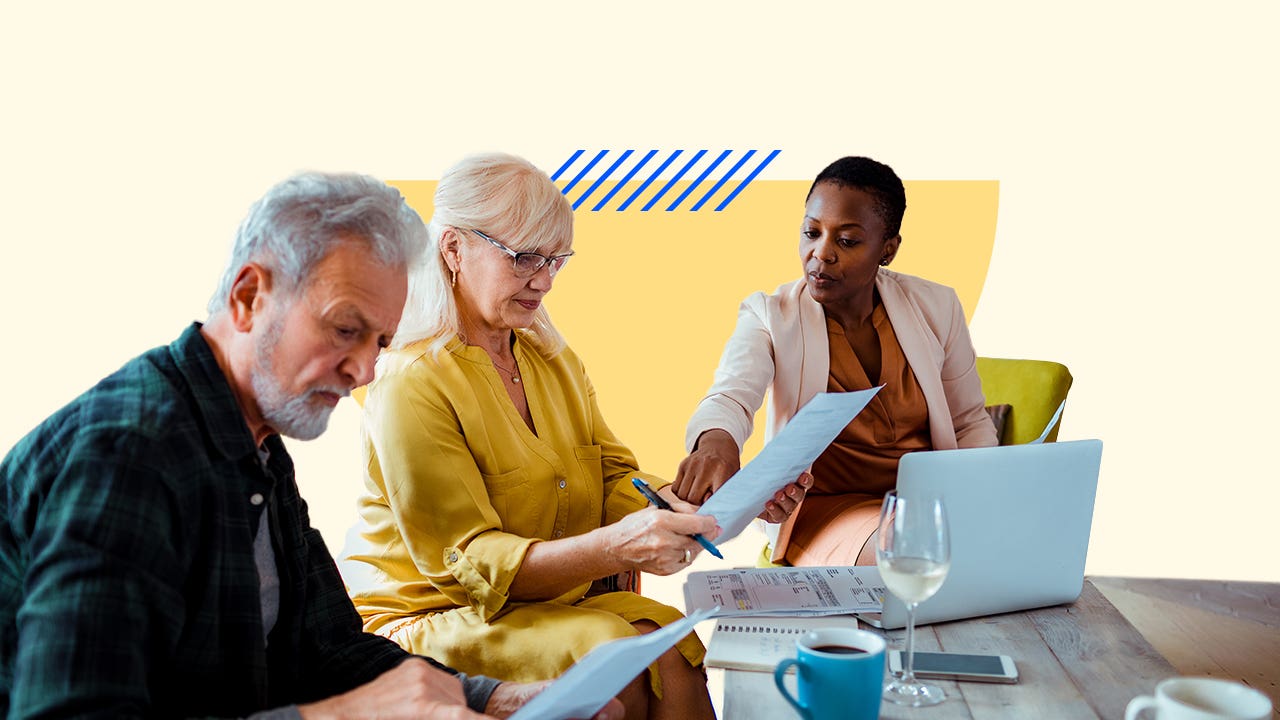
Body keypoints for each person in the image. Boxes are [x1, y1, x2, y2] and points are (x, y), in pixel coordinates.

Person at [0, 172, 619, 720]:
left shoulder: (258, 447)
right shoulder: (128, 458)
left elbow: (330, 648)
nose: (365, 372)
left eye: (379, 342)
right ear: (249, 297)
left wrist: (487, 697)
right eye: (345, 330)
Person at [338, 153, 806, 720]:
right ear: (454, 248)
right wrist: (617, 546)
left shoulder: (548, 358)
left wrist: (717, 505)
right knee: (615, 656)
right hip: (434, 616)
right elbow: (467, 564)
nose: (545, 280)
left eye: (557, 259)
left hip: (542, 604)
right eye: (525, 258)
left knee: (673, 642)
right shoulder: (412, 382)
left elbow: (614, 478)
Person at [675, 156, 998, 567]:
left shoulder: (936, 306)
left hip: (928, 505)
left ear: (888, 249)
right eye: (811, 233)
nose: (821, 254)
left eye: (846, 241)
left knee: (1003, 541)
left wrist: (984, 497)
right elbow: (731, 394)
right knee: (912, 552)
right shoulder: (770, 316)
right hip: (825, 511)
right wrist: (716, 443)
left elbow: (968, 422)